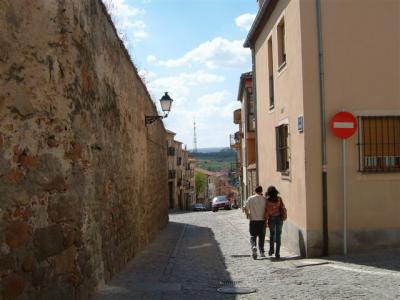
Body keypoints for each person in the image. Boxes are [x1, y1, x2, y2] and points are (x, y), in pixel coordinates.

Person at [244, 186, 266, 259]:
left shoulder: (250, 198)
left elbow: (245, 207)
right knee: (261, 237)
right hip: (262, 221)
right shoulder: (264, 199)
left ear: (255, 191)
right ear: (261, 191)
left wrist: (248, 215)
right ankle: (262, 251)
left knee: (253, 236)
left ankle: (254, 246)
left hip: (253, 220)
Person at [265, 186, 286, 259]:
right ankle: (277, 253)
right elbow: (283, 207)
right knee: (278, 236)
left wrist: (266, 221)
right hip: (279, 218)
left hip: (271, 219)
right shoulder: (279, 199)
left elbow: (266, 211)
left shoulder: (267, 201)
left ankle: (271, 250)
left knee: (272, 234)